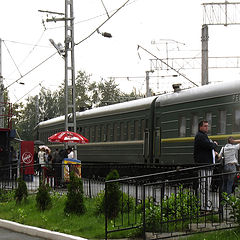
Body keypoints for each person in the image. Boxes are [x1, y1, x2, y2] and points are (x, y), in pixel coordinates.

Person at [194, 120, 218, 210]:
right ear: (200, 127)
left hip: (207, 165)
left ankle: (205, 205)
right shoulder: (200, 136)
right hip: (204, 165)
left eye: (207, 126)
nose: (207, 128)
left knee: (206, 185)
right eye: (205, 126)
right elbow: (209, 145)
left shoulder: (204, 136)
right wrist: (214, 144)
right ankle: (204, 206)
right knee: (204, 186)